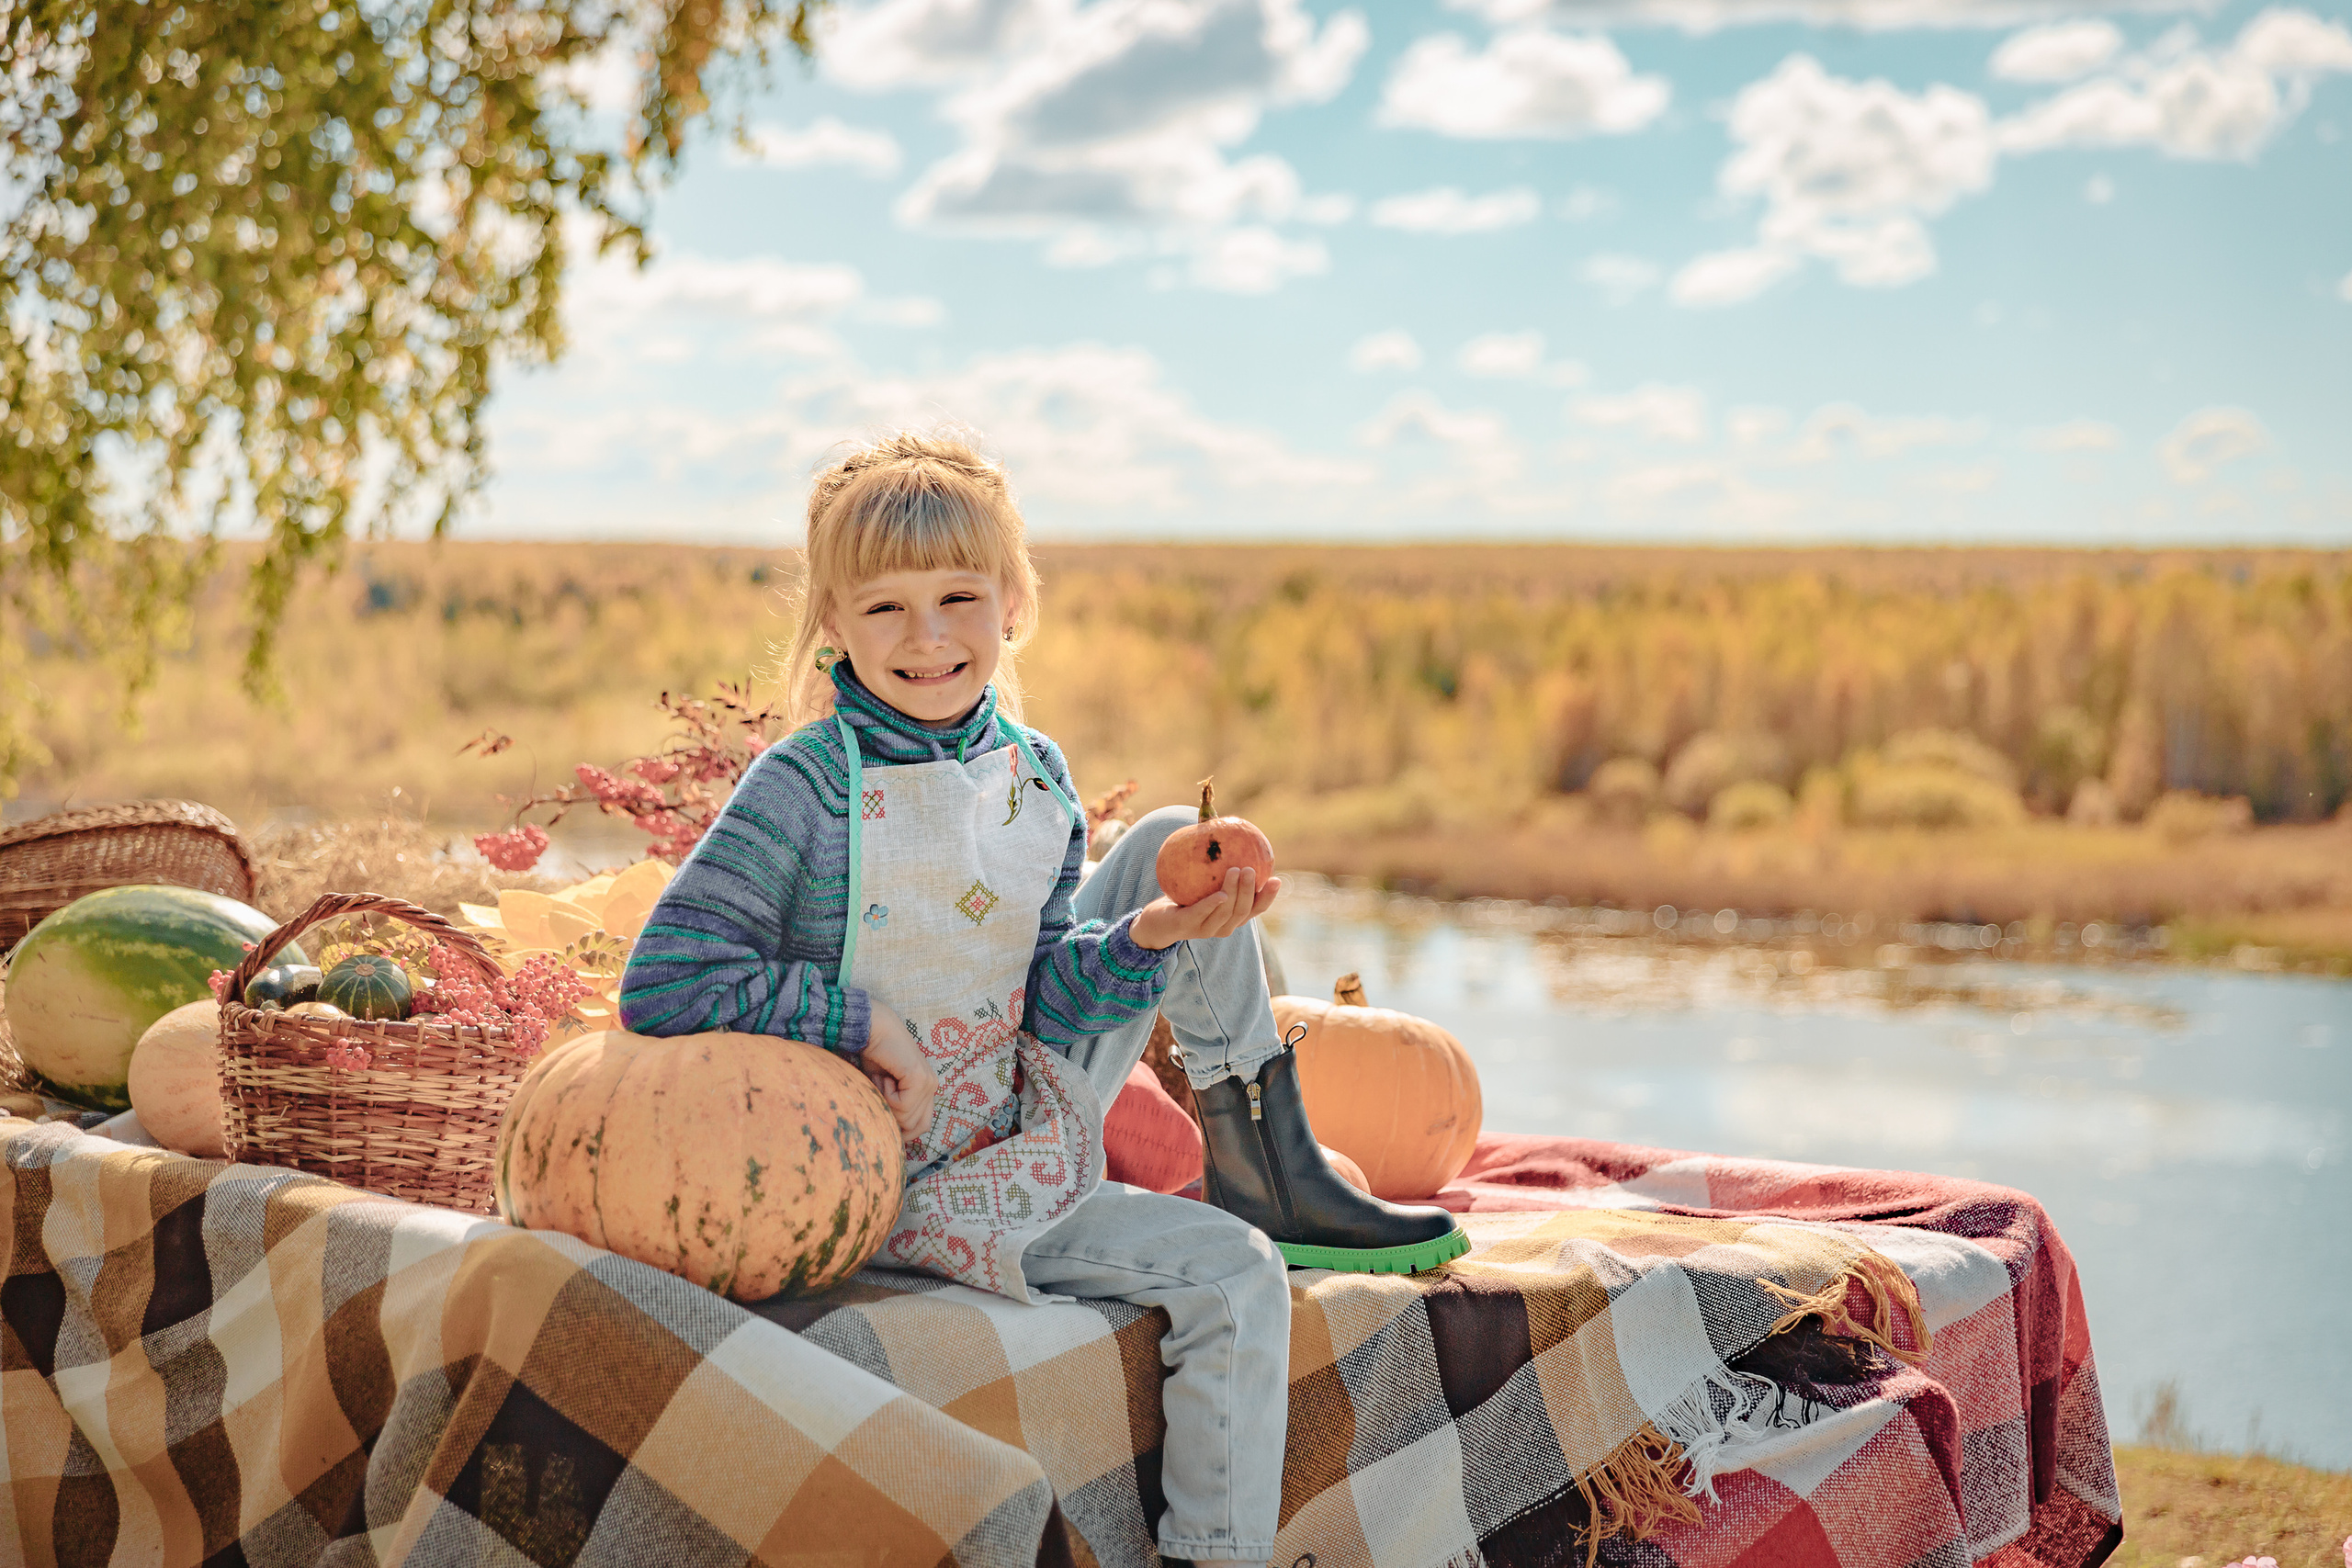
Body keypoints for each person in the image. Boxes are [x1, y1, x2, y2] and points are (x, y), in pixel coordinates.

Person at [618, 431, 1464, 1565]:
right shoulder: (804, 788)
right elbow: (666, 979)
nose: (926, 638)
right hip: (885, 1173)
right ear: (830, 623)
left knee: (1175, 852)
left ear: (1014, 603)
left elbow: (1047, 998)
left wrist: (1152, 942)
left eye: (959, 597)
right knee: (1234, 1270)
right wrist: (862, 1027)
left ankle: (1266, 1169)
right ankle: (1267, 1199)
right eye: (884, 610)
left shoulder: (1036, 777)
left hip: (1011, 1122)